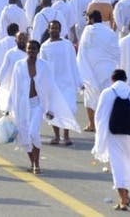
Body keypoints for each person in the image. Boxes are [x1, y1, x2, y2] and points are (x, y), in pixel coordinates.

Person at [7, 40, 78, 174]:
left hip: (37, 105)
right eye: (29, 49)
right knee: (24, 137)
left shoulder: (44, 66)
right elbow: (13, 87)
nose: (31, 51)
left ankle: (37, 164)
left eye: (34, 49)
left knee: (33, 132)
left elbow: (50, 88)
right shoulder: (19, 65)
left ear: (38, 51)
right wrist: (9, 107)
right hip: (22, 105)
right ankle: (32, 162)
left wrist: (50, 109)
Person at [92, 69, 130, 211]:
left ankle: (123, 200)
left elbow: (99, 117)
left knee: (117, 167)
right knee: (128, 164)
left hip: (113, 135)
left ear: (112, 79)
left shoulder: (107, 93)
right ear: (125, 79)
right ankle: (126, 195)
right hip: (129, 134)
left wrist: (100, 138)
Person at [77, 10, 121, 132]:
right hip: (108, 69)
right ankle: (108, 122)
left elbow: (82, 51)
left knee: (90, 97)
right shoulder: (110, 32)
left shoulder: (88, 31)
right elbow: (116, 51)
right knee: (108, 97)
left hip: (92, 69)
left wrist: (82, 69)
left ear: (91, 19)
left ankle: (92, 124)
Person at [38, 20, 79, 146]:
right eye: (52, 28)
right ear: (48, 30)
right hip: (52, 83)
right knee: (53, 110)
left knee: (68, 109)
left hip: (67, 83)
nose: (54, 30)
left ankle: (66, 136)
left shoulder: (67, 45)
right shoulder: (45, 46)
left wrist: (78, 81)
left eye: (56, 28)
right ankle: (56, 136)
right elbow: (42, 66)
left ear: (60, 30)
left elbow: (74, 64)